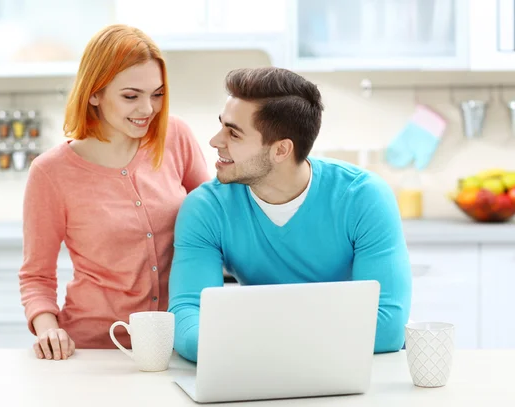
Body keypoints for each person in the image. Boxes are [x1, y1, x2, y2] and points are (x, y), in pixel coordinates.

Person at [168, 67, 412, 363]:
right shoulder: (205, 209)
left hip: (349, 368)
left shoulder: (363, 197)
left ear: (281, 150)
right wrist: (276, 346)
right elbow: (186, 318)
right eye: (222, 126)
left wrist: (246, 342)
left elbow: (388, 327)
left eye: (233, 132)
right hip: (264, 367)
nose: (216, 141)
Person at [18, 24, 210, 361]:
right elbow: (37, 276)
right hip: (95, 349)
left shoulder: (174, 137)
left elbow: (212, 224)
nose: (148, 109)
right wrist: (48, 329)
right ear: (95, 93)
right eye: (131, 96)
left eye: (158, 94)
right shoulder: (50, 173)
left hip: (178, 342)